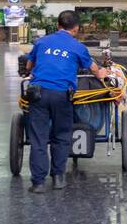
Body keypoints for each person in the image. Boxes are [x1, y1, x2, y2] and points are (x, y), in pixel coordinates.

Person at [23, 10, 111, 194]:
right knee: (62, 135)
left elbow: (29, 67)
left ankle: (38, 183)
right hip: (62, 95)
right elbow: (95, 70)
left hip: (38, 93)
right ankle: (58, 179)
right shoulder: (78, 47)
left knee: (38, 138)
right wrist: (103, 72)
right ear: (76, 28)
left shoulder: (41, 42)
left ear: (58, 26)